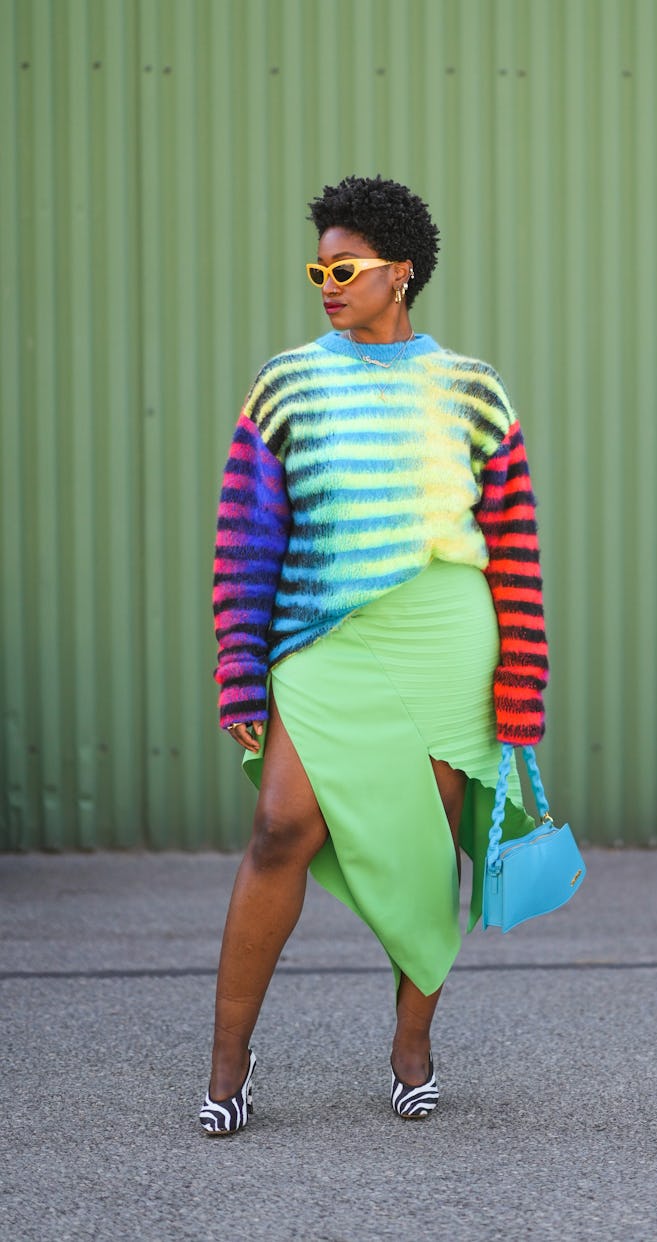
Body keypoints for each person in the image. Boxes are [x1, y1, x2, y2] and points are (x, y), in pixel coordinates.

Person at [199, 175, 548, 1134]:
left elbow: (513, 544)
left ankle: (411, 1048)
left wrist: (522, 681)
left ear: (400, 274)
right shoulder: (288, 382)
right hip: (325, 643)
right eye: (318, 267)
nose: (325, 283)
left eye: (343, 267)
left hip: (446, 637)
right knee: (279, 828)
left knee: (424, 849)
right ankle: (229, 1063)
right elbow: (246, 537)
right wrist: (240, 663)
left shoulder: (472, 387)